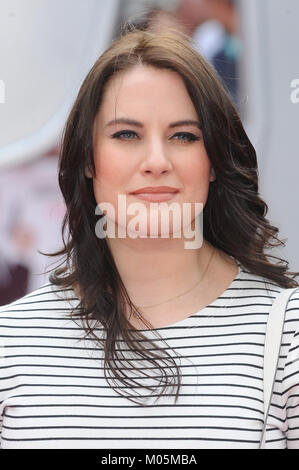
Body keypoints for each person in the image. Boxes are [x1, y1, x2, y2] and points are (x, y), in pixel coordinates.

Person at [0, 25, 298, 450]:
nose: (156, 161)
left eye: (183, 136)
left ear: (213, 159)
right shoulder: (10, 343)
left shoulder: (288, 333)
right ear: (87, 158)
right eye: (126, 135)